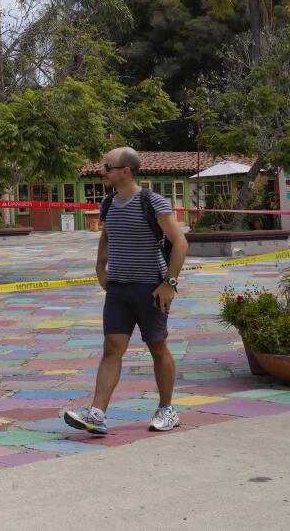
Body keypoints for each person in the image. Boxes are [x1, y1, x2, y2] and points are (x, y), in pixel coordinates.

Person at [61, 146, 189, 434]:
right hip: (118, 289)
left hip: (151, 288)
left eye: (107, 166)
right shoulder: (108, 203)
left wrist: (169, 283)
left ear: (125, 171)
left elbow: (180, 243)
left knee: (157, 347)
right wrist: (99, 267)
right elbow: (107, 235)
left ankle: (167, 410)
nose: (102, 171)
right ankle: (97, 414)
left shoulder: (152, 202)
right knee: (112, 349)